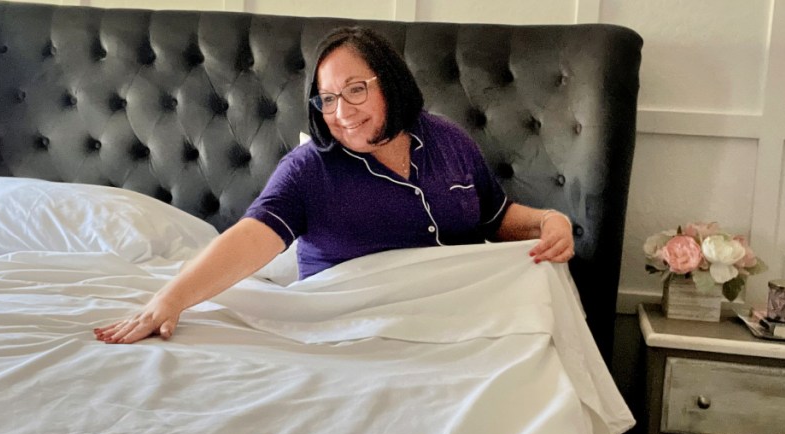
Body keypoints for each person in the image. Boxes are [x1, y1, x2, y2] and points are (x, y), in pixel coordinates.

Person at [93, 26, 575, 346]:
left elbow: (495, 217)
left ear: (390, 82)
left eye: (356, 90)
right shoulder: (309, 170)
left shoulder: (448, 140)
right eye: (327, 99)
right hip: (349, 329)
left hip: (464, 324)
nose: (342, 113)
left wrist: (547, 221)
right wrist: (170, 299)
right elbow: (250, 236)